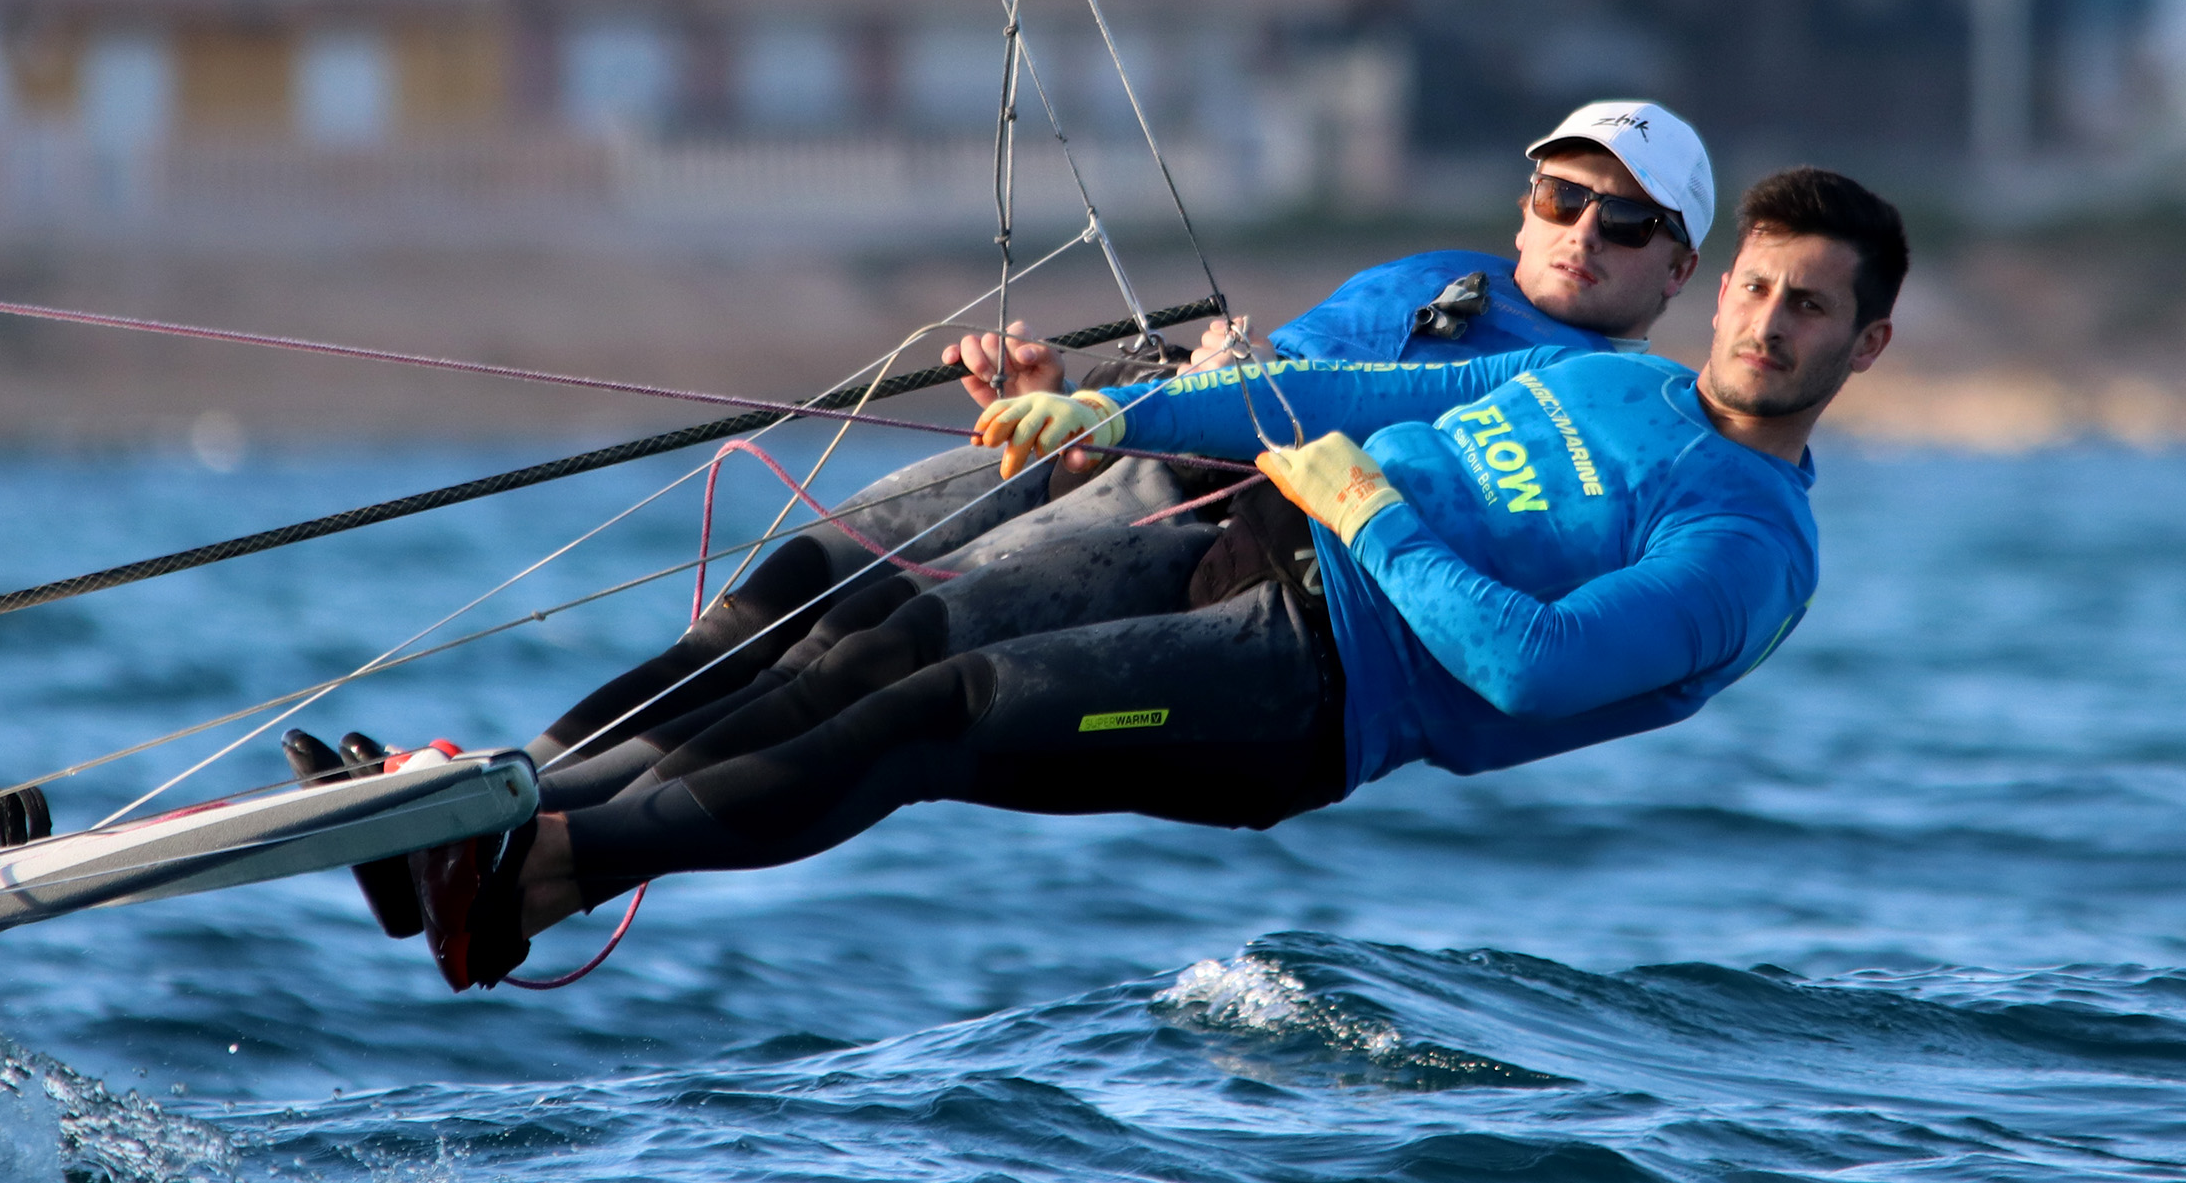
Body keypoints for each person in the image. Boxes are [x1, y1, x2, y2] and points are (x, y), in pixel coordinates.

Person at [341, 166, 1902, 989]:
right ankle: (507, 849)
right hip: (1245, 550)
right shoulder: (1619, 383)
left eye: (1810, 309)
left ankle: (535, 866)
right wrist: (1116, 414)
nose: (1770, 326)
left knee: (934, 709)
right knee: (865, 646)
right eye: (1761, 290)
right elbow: (1340, 394)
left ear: (1867, 343)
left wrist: (1371, 518)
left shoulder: (1751, 550)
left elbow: (1533, 665)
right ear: (1722, 294)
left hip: (1312, 691)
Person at [951, 97, 1714, 414]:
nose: (1583, 232)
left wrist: (1259, 395)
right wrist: (1058, 395)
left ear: (1680, 269)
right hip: (1149, 422)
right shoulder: (1437, 266)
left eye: (1628, 221)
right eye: (1562, 199)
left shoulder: (1615, 401)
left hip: (1248, 525)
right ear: (1525, 214)